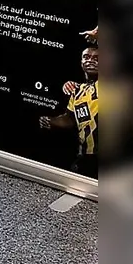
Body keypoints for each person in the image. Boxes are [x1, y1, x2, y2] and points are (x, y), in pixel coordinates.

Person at [40, 42, 102, 178]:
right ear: (81, 61)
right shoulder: (78, 91)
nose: (91, 61)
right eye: (86, 57)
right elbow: (69, 119)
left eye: (97, 58)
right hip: (86, 155)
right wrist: (52, 120)